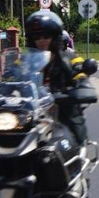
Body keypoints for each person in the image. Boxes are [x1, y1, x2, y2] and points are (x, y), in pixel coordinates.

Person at [25, 9, 88, 145]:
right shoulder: (25, 62)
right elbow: (10, 76)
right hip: (32, 115)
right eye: (37, 37)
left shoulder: (69, 59)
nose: (41, 40)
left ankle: (78, 151)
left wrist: (83, 88)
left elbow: (81, 75)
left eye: (46, 36)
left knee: (65, 143)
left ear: (54, 37)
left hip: (60, 113)